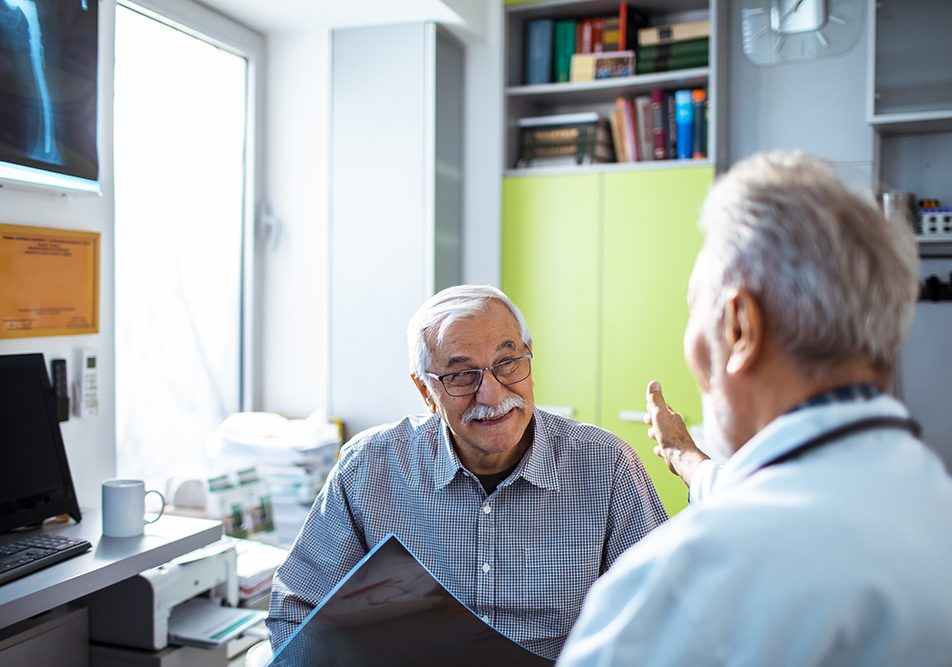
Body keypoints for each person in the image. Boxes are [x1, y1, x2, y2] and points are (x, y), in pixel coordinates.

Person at [558, 151, 952, 666]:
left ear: (741, 327)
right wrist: (684, 456)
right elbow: (784, 493)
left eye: (693, 306)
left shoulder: (683, 587)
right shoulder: (926, 504)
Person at [267, 284, 668, 659]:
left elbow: (662, 617)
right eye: (462, 375)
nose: (492, 394)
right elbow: (298, 606)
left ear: (529, 357)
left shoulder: (607, 466)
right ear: (426, 392)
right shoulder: (369, 468)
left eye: (508, 363)